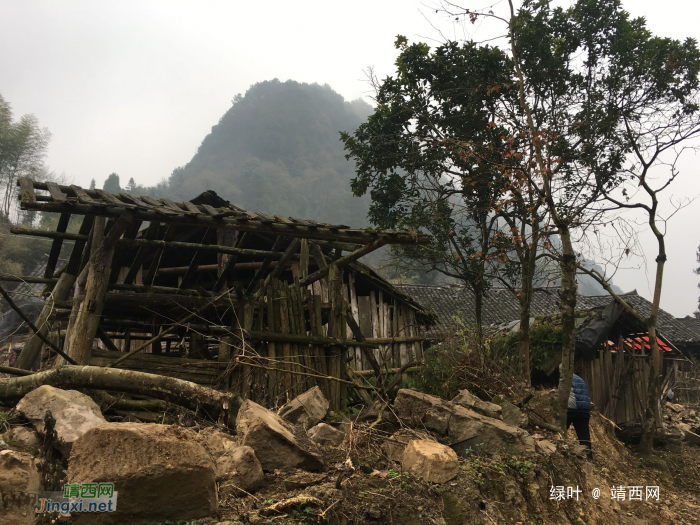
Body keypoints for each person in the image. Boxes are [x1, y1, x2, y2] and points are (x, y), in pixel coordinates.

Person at [560, 363, 592, 459]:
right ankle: (589, 457)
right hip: (584, 410)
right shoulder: (579, 379)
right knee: (584, 435)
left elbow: (562, 394)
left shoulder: (566, 378)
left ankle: (562, 451)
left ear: (562, 370)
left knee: (561, 430)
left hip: (572, 409)